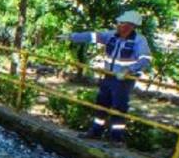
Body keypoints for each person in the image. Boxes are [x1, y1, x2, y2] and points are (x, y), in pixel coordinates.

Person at [60, 11, 152, 142]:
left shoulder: (139, 41)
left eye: (121, 23)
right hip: (108, 77)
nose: (118, 26)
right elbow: (92, 36)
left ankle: (116, 139)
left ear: (130, 26)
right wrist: (71, 36)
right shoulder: (111, 36)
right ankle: (96, 132)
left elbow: (145, 59)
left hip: (123, 80)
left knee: (118, 108)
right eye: (118, 23)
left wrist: (129, 70)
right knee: (101, 105)